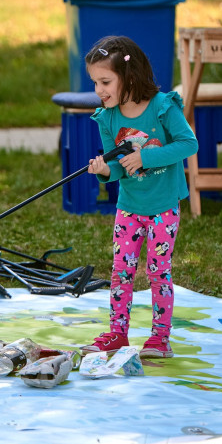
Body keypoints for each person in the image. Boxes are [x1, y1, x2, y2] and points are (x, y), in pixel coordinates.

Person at [80, 35, 198, 359]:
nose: (99, 90)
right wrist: (105, 170)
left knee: (158, 271)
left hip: (163, 207)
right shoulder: (107, 117)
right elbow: (118, 167)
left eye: (105, 81)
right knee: (121, 270)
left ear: (128, 77)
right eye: (95, 82)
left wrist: (146, 158)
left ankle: (160, 339)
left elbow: (189, 144)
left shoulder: (163, 107)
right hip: (129, 208)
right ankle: (118, 333)